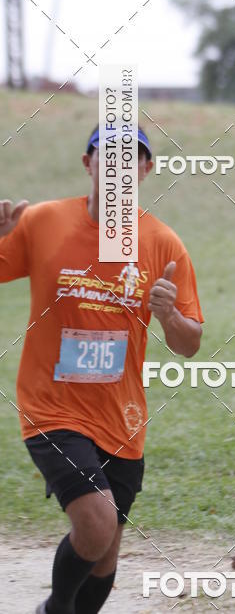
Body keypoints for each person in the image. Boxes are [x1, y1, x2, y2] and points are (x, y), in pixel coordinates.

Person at [0, 125, 204, 614]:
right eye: (107, 156)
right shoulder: (43, 221)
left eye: (131, 159)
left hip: (121, 418)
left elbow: (190, 343)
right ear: (88, 163)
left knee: (105, 550)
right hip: (51, 408)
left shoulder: (163, 244)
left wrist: (169, 314)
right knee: (96, 523)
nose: (118, 168)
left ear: (146, 170)